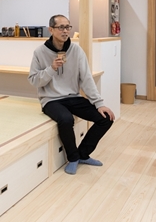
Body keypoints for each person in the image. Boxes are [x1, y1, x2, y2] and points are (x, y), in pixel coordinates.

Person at [29, 14, 116, 175]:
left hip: (73, 97)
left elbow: (87, 79)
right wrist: (51, 69)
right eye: (61, 27)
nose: (65, 31)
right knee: (66, 119)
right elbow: (34, 80)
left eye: (68, 27)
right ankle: (73, 157)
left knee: (106, 118)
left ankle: (83, 154)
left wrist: (99, 103)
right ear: (51, 30)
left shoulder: (76, 51)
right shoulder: (40, 52)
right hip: (51, 99)